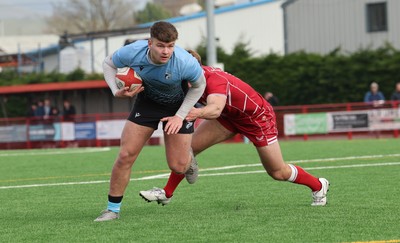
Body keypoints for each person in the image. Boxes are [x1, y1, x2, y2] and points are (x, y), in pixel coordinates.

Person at [139, 50, 329, 207]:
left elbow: (215, 109)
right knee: (188, 150)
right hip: (229, 117)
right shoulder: (185, 80)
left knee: (278, 172)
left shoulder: (213, 80)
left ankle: (318, 185)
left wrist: (192, 114)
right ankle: (167, 193)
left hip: (257, 118)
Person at [94, 21, 206, 222]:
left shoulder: (184, 62)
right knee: (125, 155)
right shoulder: (132, 52)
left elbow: (199, 86)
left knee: (178, 166)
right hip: (148, 103)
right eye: (160, 45)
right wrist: (114, 90)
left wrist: (180, 116)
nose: (166, 51)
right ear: (150, 43)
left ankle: (189, 160)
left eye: (170, 46)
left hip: (179, 105)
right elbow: (108, 63)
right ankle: (112, 210)